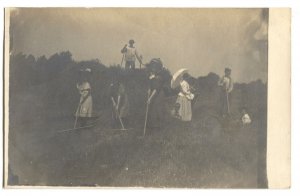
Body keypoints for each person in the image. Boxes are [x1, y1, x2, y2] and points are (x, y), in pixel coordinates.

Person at [146, 58, 165, 130]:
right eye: (152, 66)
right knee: (153, 109)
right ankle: (153, 126)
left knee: (158, 109)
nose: (153, 68)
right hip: (154, 93)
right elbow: (151, 86)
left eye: (154, 67)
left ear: (157, 68)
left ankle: (160, 126)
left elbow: (156, 89)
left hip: (159, 95)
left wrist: (150, 98)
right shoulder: (152, 76)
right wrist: (149, 90)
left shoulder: (159, 78)